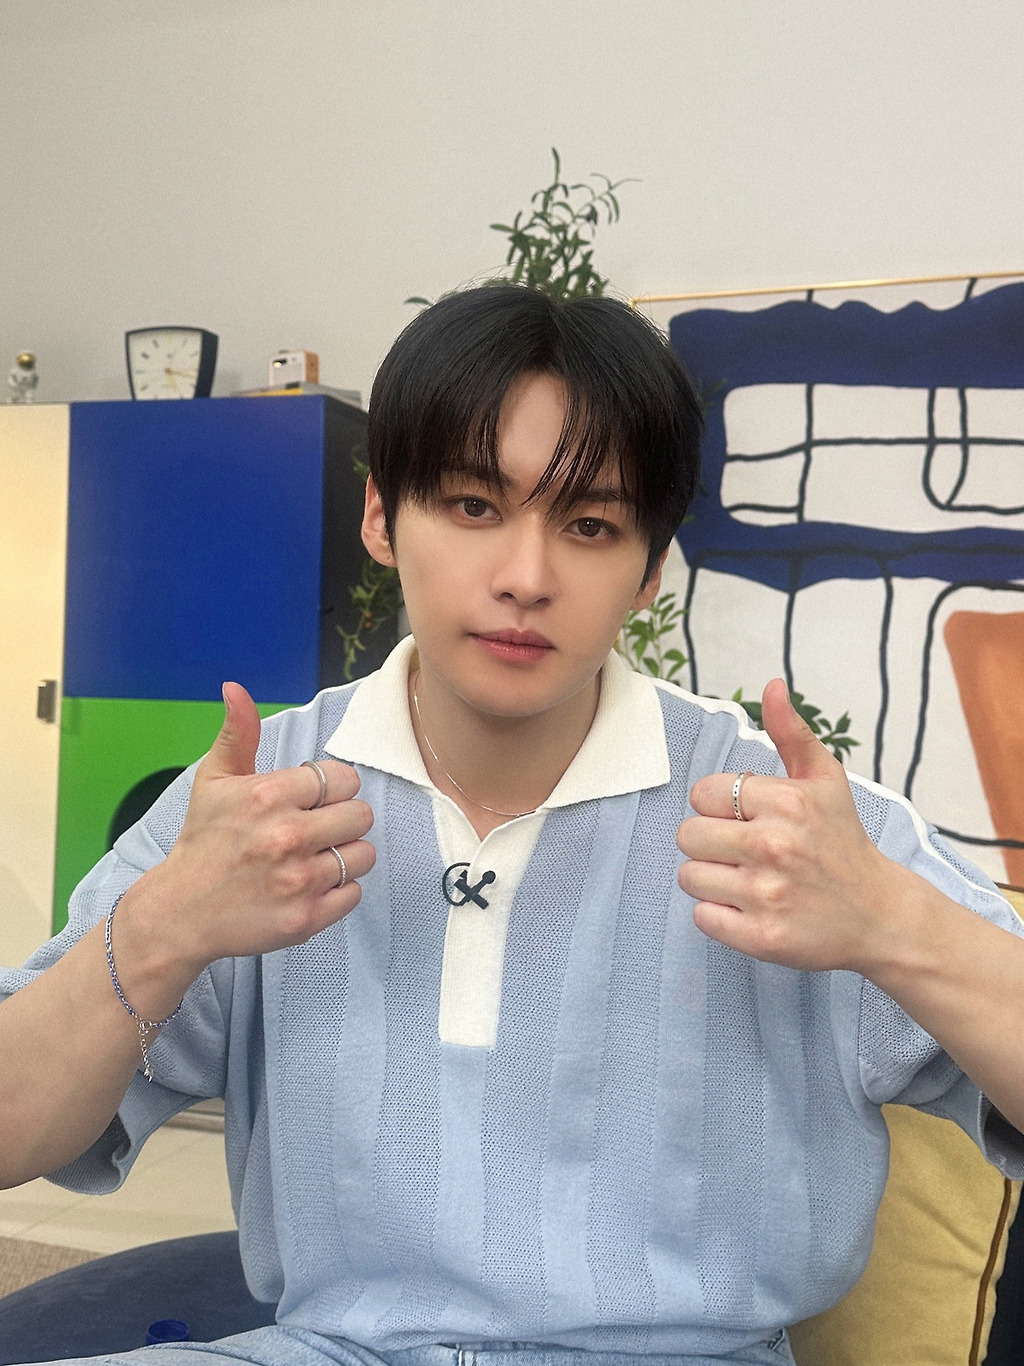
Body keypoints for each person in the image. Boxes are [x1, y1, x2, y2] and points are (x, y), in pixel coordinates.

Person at [2, 284, 1024, 1366]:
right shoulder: (259, 802)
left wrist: (896, 925)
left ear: (650, 569)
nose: (526, 579)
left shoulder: (782, 822)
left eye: (589, 525)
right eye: (472, 506)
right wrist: (161, 928)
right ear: (380, 517)